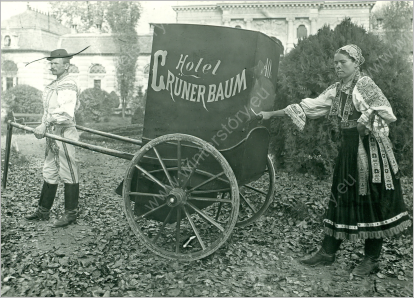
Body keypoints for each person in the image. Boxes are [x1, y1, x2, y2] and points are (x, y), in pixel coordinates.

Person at [259, 44, 411, 276]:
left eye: (343, 62)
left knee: (371, 200)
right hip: (349, 150)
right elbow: (308, 107)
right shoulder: (337, 89)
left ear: (356, 63)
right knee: (340, 197)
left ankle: (371, 258)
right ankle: (328, 252)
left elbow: (386, 111)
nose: (338, 66)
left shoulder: (364, 84)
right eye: (336, 63)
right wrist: (271, 114)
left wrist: (365, 119)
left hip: (371, 152)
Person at [25, 48, 82, 228]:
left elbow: (65, 113)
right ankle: (43, 211)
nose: (52, 66)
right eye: (51, 63)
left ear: (66, 66)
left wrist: (46, 123)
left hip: (64, 133)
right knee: (49, 169)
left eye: (55, 63)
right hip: (52, 132)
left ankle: (70, 214)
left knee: (68, 171)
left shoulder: (68, 84)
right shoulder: (54, 84)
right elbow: (48, 110)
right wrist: (43, 124)